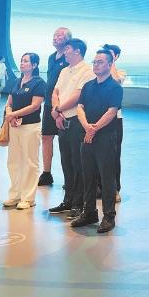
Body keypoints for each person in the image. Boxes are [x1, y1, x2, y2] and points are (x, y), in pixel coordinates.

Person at [75, 50, 124, 232]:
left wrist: (94, 129)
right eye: (94, 62)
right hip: (87, 136)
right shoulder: (88, 86)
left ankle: (109, 216)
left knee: (106, 178)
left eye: (100, 62)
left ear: (110, 64)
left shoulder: (114, 87)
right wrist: (87, 126)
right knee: (88, 176)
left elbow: (112, 112)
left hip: (105, 138)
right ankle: (89, 212)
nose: (96, 65)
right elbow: (80, 107)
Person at [47, 39, 95, 219]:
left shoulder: (87, 71)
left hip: (76, 121)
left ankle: (78, 203)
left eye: (67, 48)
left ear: (77, 51)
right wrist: (57, 112)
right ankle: (68, 200)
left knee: (78, 163)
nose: (64, 51)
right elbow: (55, 92)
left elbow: (78, 96)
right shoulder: (64, 71)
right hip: (62, 120)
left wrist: (58, 109)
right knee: (66, 162)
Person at [2, 53, 46, 210]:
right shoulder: (17, 81)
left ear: (34, 65)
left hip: (30, 127)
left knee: (30, 162)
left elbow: (35, 106)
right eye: (21, 60)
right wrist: (10, 114)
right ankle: (15, 194)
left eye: (26, 61)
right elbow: (9, 102)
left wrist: (14, 114)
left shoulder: (39, 83)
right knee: (13, 161)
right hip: (14, 126)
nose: (22, 63)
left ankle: (28, 198)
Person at [39, 27, 71, 187]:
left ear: (68, 39)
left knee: (66, 141)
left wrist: (59, 108)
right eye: (54, 35)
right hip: (48, 104)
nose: (55, 37)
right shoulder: (52, 57)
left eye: (59, 35)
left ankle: (70, 177)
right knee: (46, 137)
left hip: (63, 105)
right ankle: (46, 173)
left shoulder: (69, 57)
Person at [102, 43, 126, 202]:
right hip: (96, 118)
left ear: (115, 57)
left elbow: (116, 81)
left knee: (114, 155)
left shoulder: (120, 72)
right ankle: (99, 187)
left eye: (110, 55)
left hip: (115, 119)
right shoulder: (95, 73)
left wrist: (111, 63)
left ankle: (115, 189)